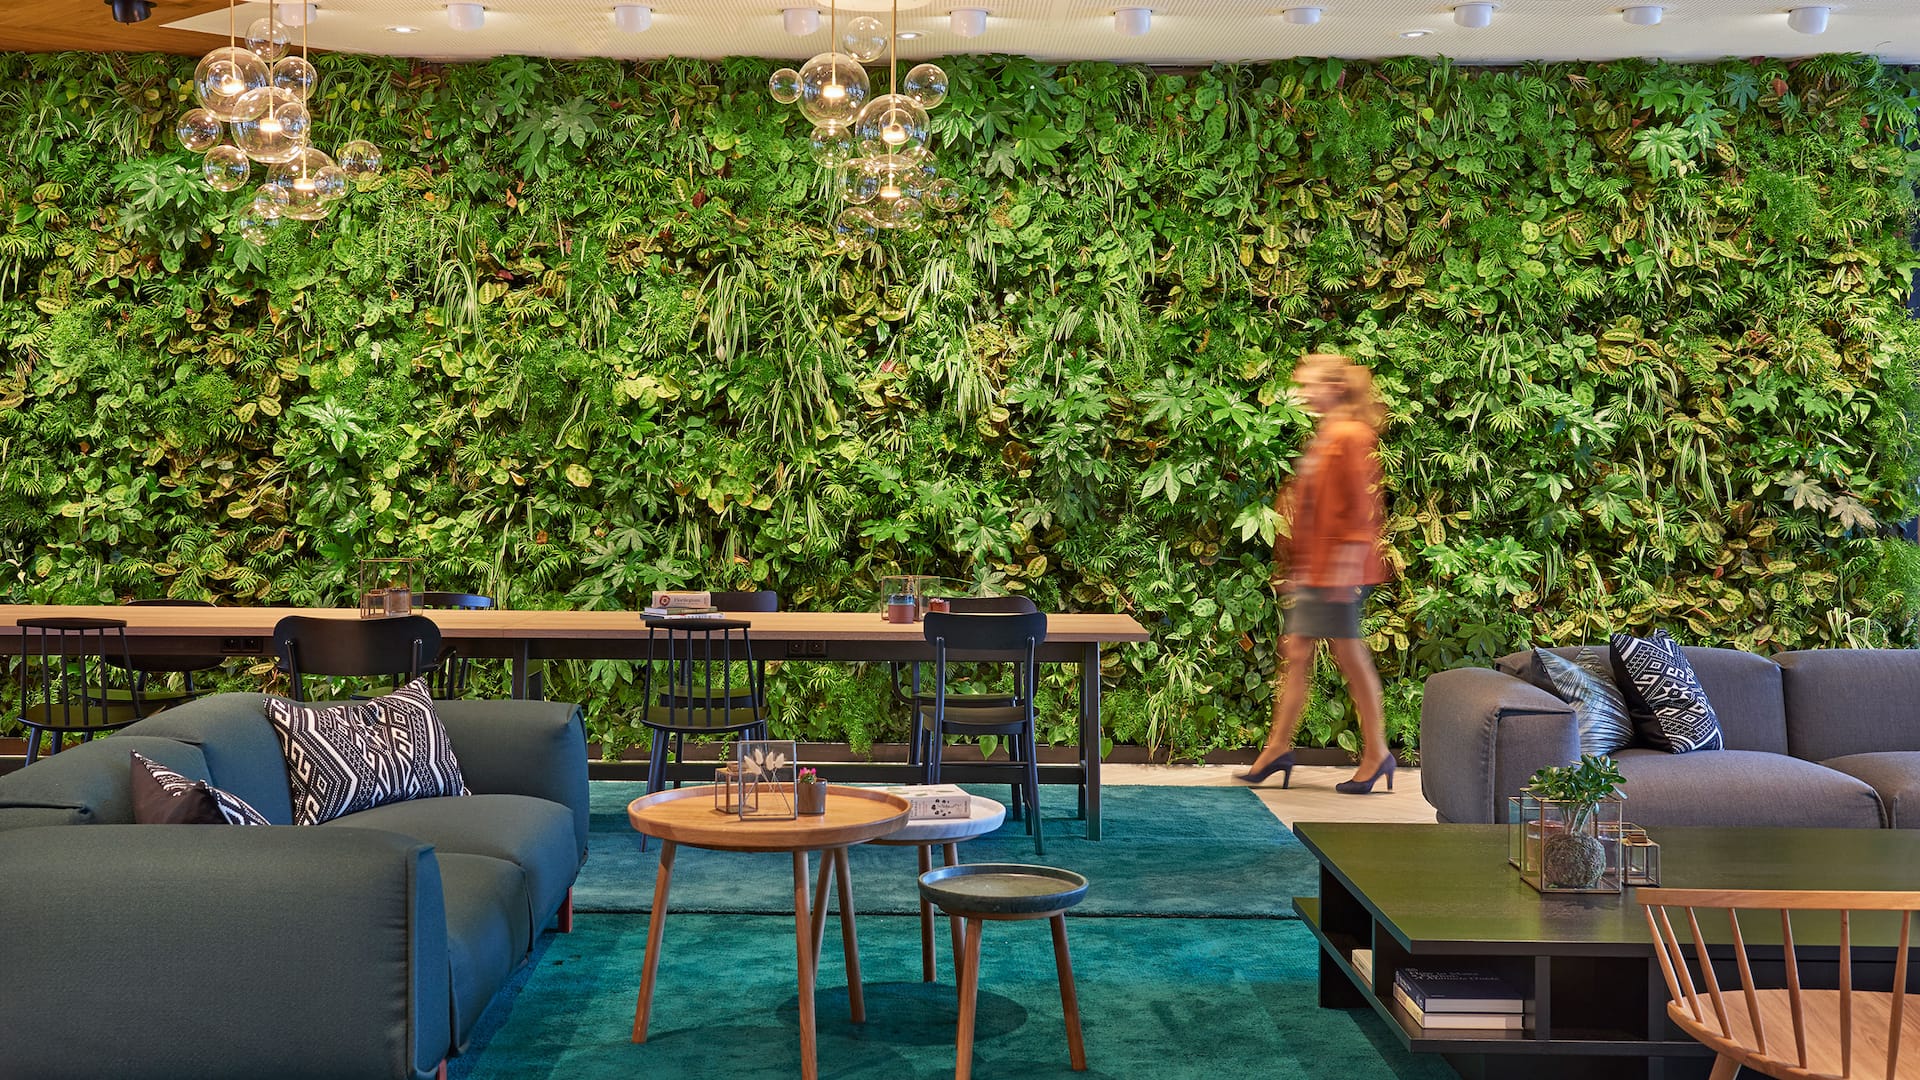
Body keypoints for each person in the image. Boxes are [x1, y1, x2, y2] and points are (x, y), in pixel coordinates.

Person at [1237, 353, 1394, 794]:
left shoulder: (1349, 435)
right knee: (1301, 653)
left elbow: (1361, 507)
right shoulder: (1329, 433)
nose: (1302, 393)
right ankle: (1278, 750)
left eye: (1309, 385)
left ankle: (1375, 753)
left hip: (1336, 570)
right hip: (1318, 568)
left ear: (1333, 387)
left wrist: (1343, 569)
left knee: (1348, 658)